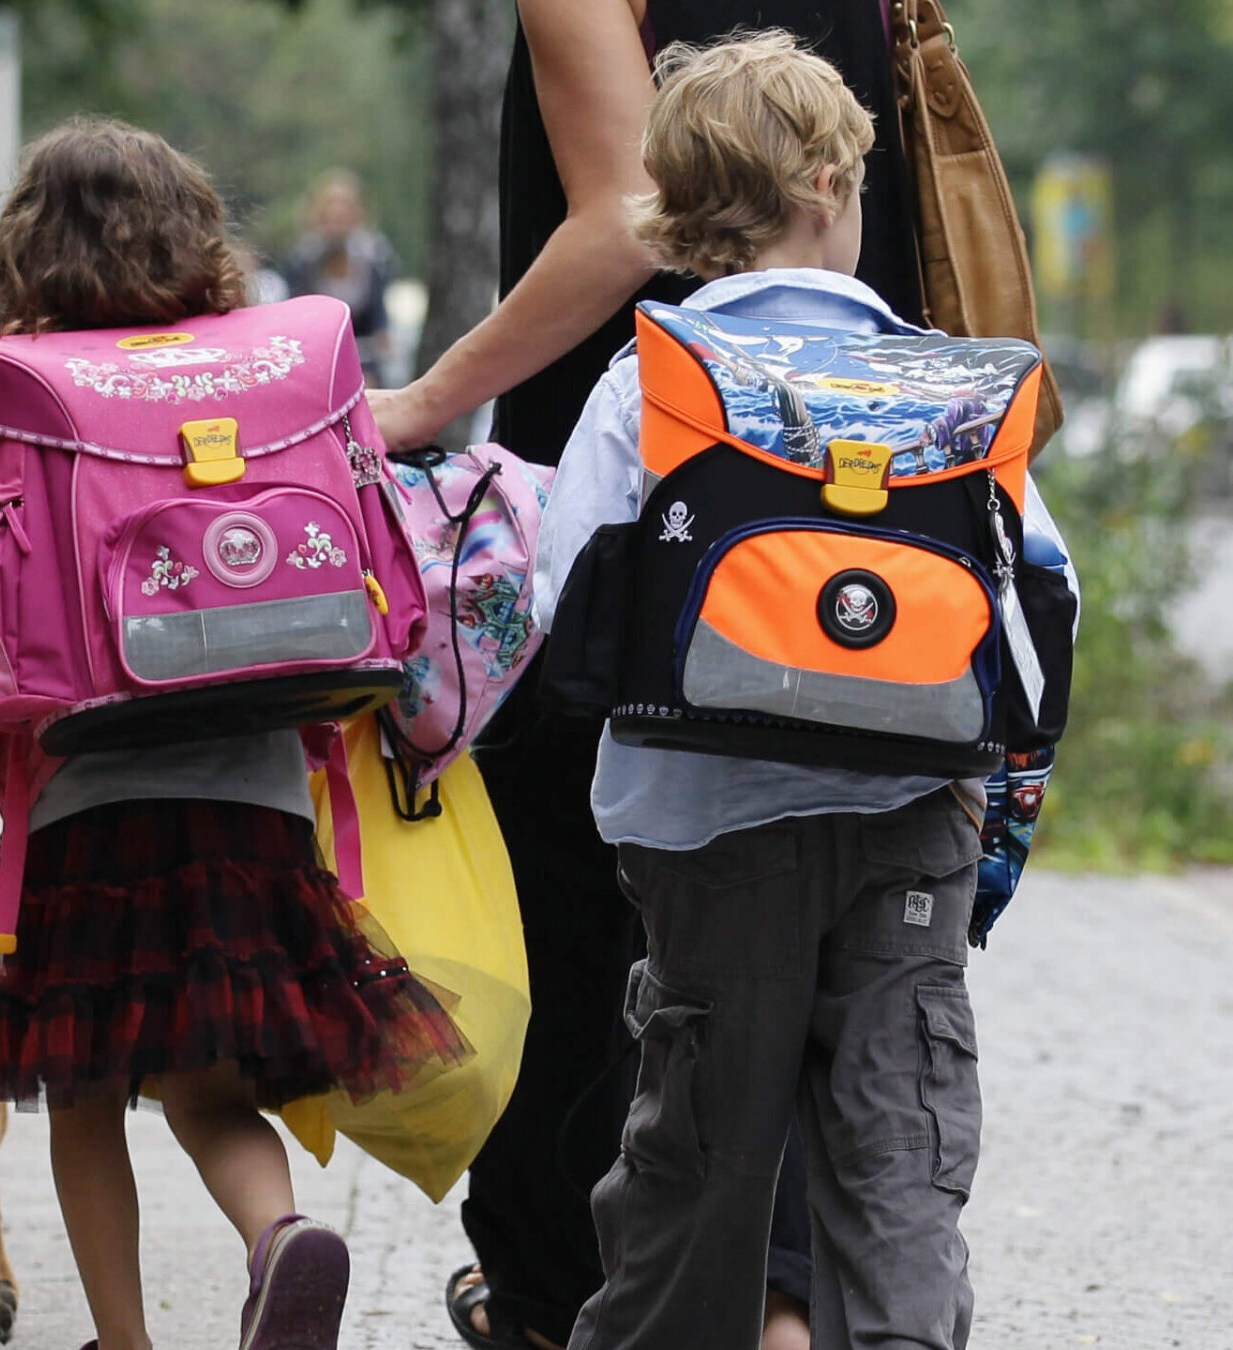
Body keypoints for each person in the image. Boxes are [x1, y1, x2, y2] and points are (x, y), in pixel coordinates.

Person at [369, 6, 928, 1346]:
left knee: (598, 926)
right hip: (869, 486)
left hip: (658, 488)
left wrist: (422, 403)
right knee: (848, 972)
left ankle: (562, 1294)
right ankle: (799, 1299)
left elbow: (625, 217)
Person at [534, 33, 1070, 1349]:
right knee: (897, 1159)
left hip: (701, 833)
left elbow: (565, 618)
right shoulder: (951, 388)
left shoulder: (647, 388)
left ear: (673, 206)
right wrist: (994, 811)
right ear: (835, 179)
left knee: (695, 1167)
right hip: (908, 824)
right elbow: (1041, 611)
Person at [0, 115, 469, 1350]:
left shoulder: (31, 392)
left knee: (86, 1096)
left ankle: (126, 1340)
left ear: (26, 253)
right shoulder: (273, 372)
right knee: (216, 1091)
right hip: (254, 787)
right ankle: (282, 1238)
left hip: (84, 801)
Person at [280, 170, 400, 385]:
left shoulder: (374, 257)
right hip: (317, 354)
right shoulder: (303, 259)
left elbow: (378, 315)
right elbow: (294, 314)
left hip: (363, 353)